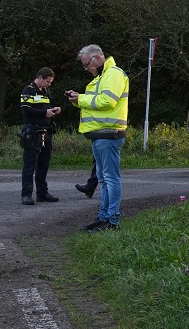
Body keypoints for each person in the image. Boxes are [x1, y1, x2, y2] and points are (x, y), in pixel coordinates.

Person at [66, 45, 129, 231]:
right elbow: (95, 103)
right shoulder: (102, 77)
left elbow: (107, 101)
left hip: (109, 134)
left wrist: (82, 99)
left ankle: (112, 219)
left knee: (110, 178)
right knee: (104, 178)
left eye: (86, 65)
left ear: (97, 58)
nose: (86, 69)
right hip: (100, 135)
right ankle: (104, 217)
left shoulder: (113, 74)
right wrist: (78, 100)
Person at [20, 67, 63, 205]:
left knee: (44, 164)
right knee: (30, 164)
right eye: (48, 81)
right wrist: (45, 113)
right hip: (32, 132)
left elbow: (44, 108)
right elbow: (26, 110)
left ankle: (42, 193)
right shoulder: (28, 91)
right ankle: (26, 194)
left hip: (46, 131)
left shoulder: (45, 92)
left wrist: (54, 110)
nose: (49, 84)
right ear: (40, 77)